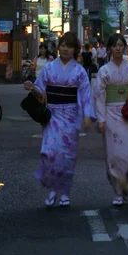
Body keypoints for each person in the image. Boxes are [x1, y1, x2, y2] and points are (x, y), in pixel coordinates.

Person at [24, 32, 95, 207]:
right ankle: (53, 189)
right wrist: (33, 88)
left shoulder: (79, 71)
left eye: (69, 46)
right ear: (58, 47)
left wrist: (87, 115)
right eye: (63, 45)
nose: (65, 49)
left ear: (74, 50)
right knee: (49, 152)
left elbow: (86, 95)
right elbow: (41, 90)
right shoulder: (49, 68)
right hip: (53, 115)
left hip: (71, 116)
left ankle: (63, 191)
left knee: (67, 155)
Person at [93, 33, 128, 206]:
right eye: (115, 46)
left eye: (121, 45)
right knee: (114, 155)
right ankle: (118, 191)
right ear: (109, 49)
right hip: (111, 113)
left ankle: (127, 179)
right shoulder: (104, 71)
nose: (118, 48)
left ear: (125, 48)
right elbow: (99, 95)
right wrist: (101, 119)